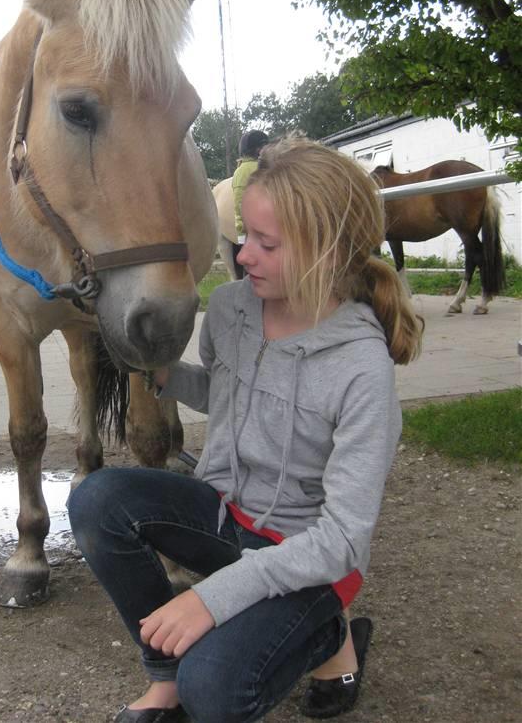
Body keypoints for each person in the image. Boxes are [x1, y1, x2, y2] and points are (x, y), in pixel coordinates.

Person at [68, 135, 423, 723]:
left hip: (310, 557)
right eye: (244, 235)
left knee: (215, 687)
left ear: (327, 252)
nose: (242, 256)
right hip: (225, 513)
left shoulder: (363, 369)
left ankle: (330, 637)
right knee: (99, 499)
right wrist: (164, 372)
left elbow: (342, 540)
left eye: (266, 243)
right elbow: (229, 395)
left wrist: (212, 599)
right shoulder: (232, 308)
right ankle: (166, 676)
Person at [231, 129, 268, 278]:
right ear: (258, 149)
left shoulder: (240, 171)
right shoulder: (261, 168)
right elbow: (241, 203)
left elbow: (239, 202)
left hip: (248, 229)